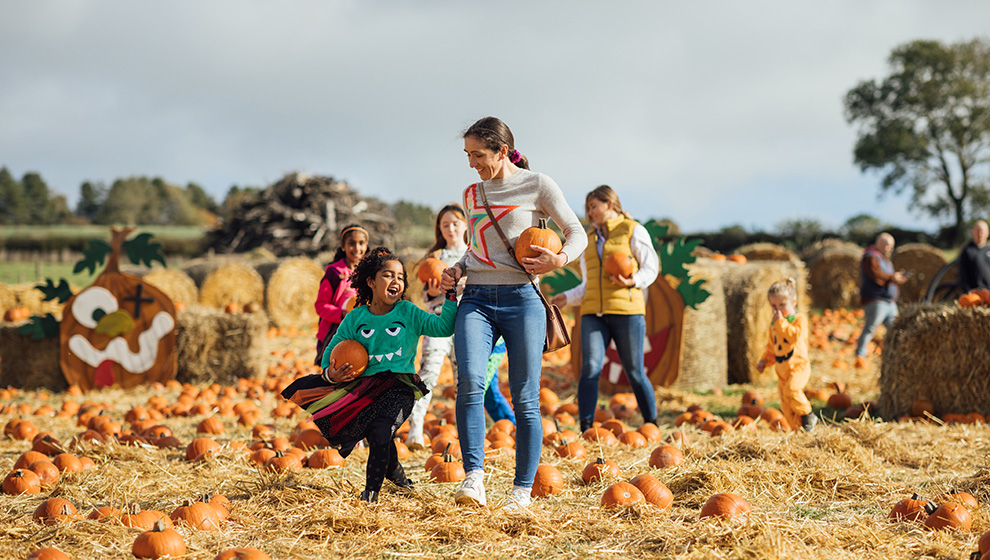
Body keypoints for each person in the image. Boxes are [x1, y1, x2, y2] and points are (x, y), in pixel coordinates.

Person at [440, 116, 587, 509]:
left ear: (502, 151)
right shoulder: (472, 194)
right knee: (469, 382)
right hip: (477, 298)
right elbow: (477, 249)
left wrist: (558, 259)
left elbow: (577, 232)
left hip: (523, 298)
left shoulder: (537, 184)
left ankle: (521, 490)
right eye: (467, 154)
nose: (472, 163)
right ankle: (473, 479)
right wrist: (459, 269)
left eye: (478, 154)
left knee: (525, 398)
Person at [282, 247, 457, 503]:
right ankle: (399, 479)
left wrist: (450, 296)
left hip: (399, 385)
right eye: (388, 275)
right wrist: (333, 374)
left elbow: (442, 327)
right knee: (380, 436)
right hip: (363, 388)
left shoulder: (408, 312)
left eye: (400, 277)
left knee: (381, 429)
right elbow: (331, 351)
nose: (395, 281)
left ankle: (370, 494)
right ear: (371, 281)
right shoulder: (356, 318)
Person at [551, 185, 660, 433]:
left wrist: (633, 281)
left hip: (627, 312)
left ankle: (651, 423)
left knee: (634, 369)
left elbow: (651, 268)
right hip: (593, 314)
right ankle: (587, 426)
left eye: (594, 207)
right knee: (589, 368)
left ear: (609, 204)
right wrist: (566, 298)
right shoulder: (587, 240)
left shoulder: (632, 230)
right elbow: (588, 285)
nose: (589, 213)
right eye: (587, 208)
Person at [406, 205, 515, 449]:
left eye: (455, 223)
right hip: (437, 321)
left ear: (466, 225)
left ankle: (461, 434)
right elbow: (427, 295)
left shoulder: (476, 254)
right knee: (428, 371)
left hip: (467, 323)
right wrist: (433, 292)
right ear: (439, 229)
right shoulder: (434, 259)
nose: (451, 228)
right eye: (445, 225)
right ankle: (416, 427)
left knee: (463, 380)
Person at [756, 278, 816, 432]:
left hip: (798, 367)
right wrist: (764, 361)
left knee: (793, 390)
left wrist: (781, 322)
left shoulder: (799, 320)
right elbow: (773, 347)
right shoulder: (774, 324)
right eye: (774, 306)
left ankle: (808, 415)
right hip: (782, 371)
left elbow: (794, 337)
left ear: (794, 302)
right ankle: (800, 431)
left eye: (782, 305)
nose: (778, 310)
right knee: (786, 404)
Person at [313, 224, 368, 365]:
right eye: (351, 243)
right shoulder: (334, 273)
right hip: (333, 335)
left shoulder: (369, 274)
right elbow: (321, 306)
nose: (357, 248)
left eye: (361, 243)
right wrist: (341, 315)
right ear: (343, 246)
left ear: (366, 245)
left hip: (359, 335)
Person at [853, 232, 907, 369]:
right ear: (881, 243)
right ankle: (860, 356)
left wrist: (896, 278)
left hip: (889, 302)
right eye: (889, 246)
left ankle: (896, 354)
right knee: (870, 328)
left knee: (894, 329)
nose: (891, 249)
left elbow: (887, 277)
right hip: (876, 300)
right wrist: (893, 278)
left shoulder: (885, 259)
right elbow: (876, 275)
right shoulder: (870, 257)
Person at [958, 220, 990, 293]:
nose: (980, 234)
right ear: (973, 232)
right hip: (976, 292)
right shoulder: (967, 250)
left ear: (987, 233)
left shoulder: (989, 250)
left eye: (982, 231)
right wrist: (968, 290)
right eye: (977, 231)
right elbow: (962, 274)